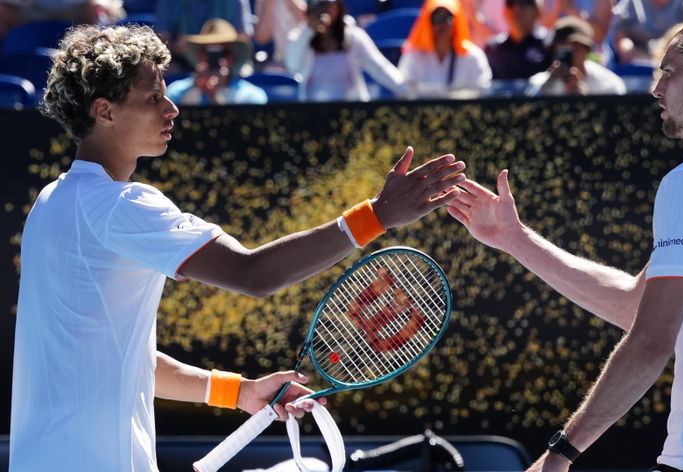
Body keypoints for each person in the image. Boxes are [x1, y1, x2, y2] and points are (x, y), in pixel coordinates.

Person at [10, 24, 465, 470]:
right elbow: (254, 273)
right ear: (105, 112)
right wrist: (377, 217)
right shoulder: (120, 206)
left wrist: (240, 391)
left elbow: (128, 364)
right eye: (152, 98)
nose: (171, 108)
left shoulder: (51, 203)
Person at [448, 16, 683, 471]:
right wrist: (516, 240)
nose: (655, 89)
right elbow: (634, 307)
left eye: (668, 71)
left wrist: (558, 456)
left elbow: (650, 341)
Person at [285, 0, 406, 101]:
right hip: (314, 115)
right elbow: (293, 66)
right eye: (316, 6)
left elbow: (379, 68)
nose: (322, 10)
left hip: (351, 112)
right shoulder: (300, 38)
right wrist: (309, 30)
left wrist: (406, 90)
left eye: (326, 4)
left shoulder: (354, 36)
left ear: (337, 6)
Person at [399, 0, 492, 99]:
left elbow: (483, 93)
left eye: (448, 18)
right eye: (437, 17)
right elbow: (404, 92)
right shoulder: (413, 56)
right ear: (428, 20)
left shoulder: (474, 57)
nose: (442, 25)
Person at [166, 18, 269, 105]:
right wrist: (195, 90)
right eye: (208, 51)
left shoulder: (251, 96)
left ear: (233, 57)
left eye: (223, 52)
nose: (216, 59)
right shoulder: (175, 92)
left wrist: (214, 97)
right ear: (199, 55)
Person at [527, 16, 625, 95]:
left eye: (574, 47)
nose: (569, 53)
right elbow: (526, 111)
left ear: (586, 49)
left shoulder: (609, 85)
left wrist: (585, 102)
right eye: (562, 48)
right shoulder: (539, 83)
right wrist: (546, 90)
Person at [155, 0, 253, 72]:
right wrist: (176, 47)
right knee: (163, 70)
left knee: (245, 71)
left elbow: (243, 38)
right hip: (183, 62)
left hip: (228, 59)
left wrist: (227, 55)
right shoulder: (168, 2)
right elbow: (162, 39)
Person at [611, 0, 683, 64]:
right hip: (639, 70)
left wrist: (664, 52)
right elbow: (621, 32)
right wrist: (625, 44)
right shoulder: (632, 2)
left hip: (682, 68)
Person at [484, 0, 551, 80]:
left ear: (537, 11)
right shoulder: (492, 49)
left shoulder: (549, 45)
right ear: (504, 11)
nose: (517, 8)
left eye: (524, 3)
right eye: (511, 3)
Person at [254, 0, 307, 68]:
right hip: (280, 61)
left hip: (304, 58)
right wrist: (270, 3)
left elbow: (305, 21)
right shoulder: (262, 1)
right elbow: (262, 38)